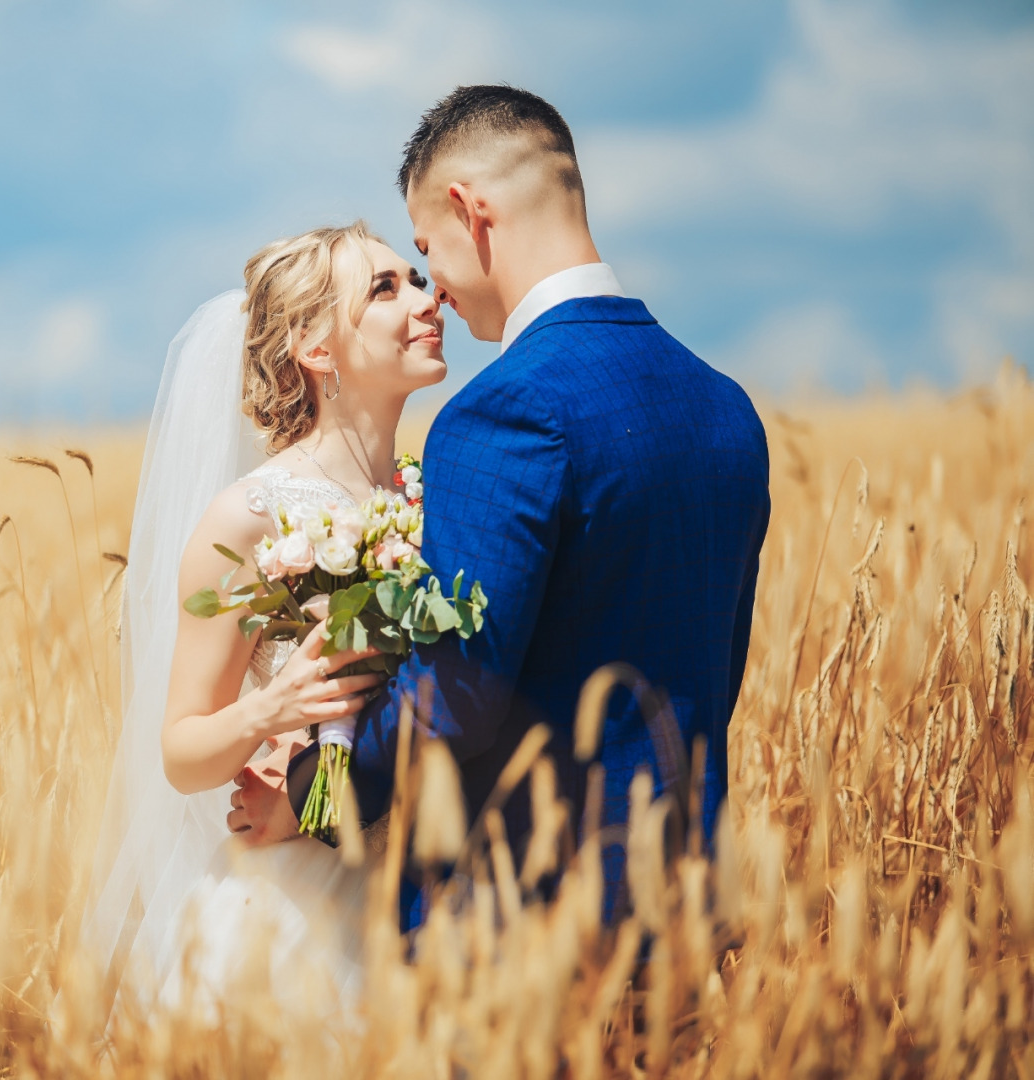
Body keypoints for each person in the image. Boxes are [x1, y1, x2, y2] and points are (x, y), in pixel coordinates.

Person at [241, 84, 771, 930]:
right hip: (686, 916)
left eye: (427, 250)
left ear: (469, 209)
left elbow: (454, 694)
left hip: (521, 924)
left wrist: (314, 798)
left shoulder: (505, 413)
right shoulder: (725, 408)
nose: (437, 292)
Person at [83, 222, 445, 1002]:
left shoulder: (434, 496)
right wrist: (270, 711)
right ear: (316, 350)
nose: (427, 298)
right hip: (294, 910)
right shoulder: (249, 517)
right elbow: (181, 753)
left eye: (414, 277)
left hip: (423, 891)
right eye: (386, 289)